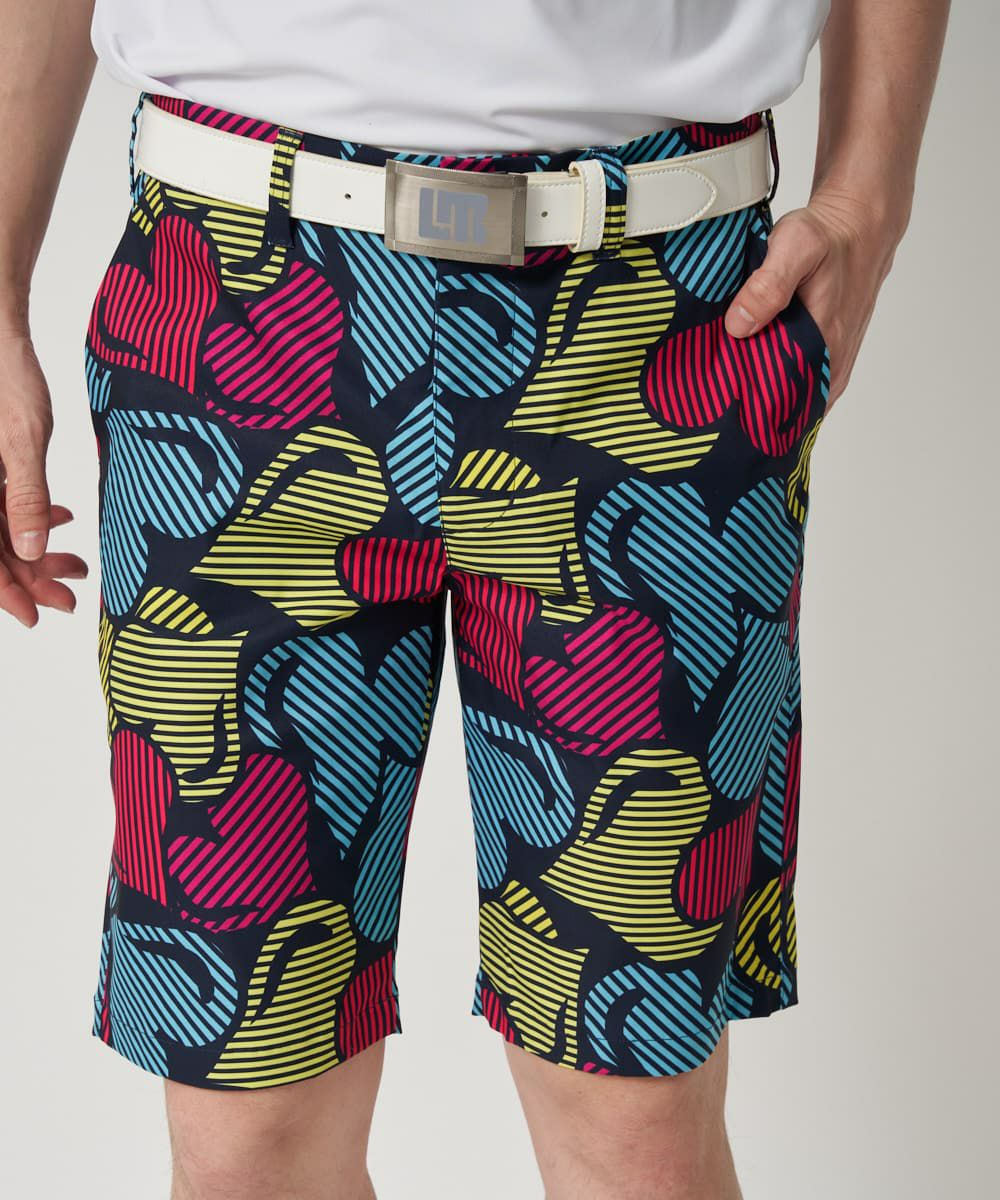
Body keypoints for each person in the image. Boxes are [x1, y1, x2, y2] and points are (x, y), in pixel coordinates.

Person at [0, 3, 951, 1198]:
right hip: (236, 305)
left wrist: (868, 193)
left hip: (659, 314)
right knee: (247, 1126)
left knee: (635, 1123)